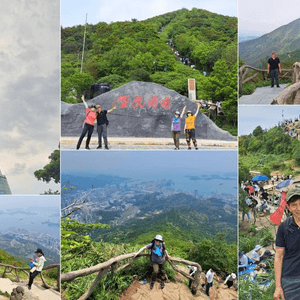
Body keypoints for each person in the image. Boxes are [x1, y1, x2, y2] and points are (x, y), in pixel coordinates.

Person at [274, 189, 300, 300]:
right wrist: (278, 286)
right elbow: (279, 256)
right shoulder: (284, 227)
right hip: (291, 278)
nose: (298, 208)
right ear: (288, 207)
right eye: (294, 205)